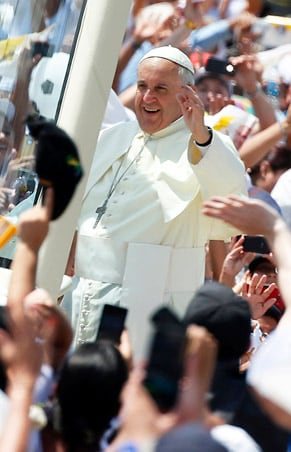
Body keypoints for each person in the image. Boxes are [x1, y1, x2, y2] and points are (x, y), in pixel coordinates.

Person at [67, 46, 247, 354]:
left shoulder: (206, 145)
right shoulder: (114, 137)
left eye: (160, 89)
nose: (147, 97)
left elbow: (231, 197)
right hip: (82, 293)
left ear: (186, 95)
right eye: (141, 87)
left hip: (149, 305)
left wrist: (202, 135)